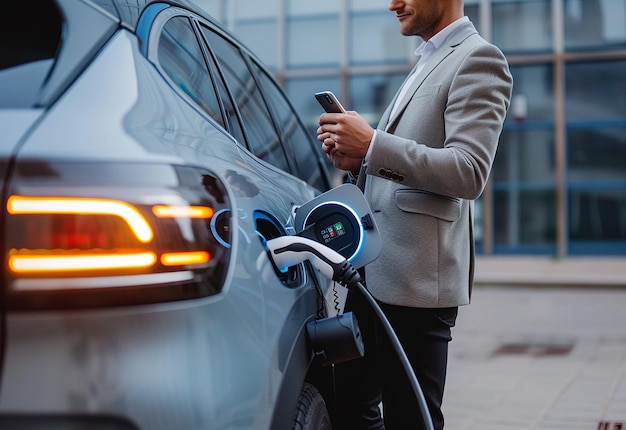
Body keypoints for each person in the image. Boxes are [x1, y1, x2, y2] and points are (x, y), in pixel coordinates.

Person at [316, 0, 513, 429]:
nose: (393, 3)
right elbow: (401, 165)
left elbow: (469, 171)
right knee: (348, 407)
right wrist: (358, 160)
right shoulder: (426, 60)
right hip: (373, 272)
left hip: (418, 283)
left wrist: (372, 144)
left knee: (411, 419)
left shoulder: (479, 58)